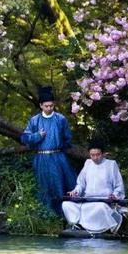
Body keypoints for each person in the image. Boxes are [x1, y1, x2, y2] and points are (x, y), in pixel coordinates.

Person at [20, 86, 77, 216]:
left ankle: (65, 215)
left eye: (51, 105)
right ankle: (46, 216)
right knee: (44, 186)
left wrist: (60, 148)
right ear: (41, 105)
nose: (49, 108)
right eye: (46, 106)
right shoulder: (34, 120)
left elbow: (67, 137)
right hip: (41, 158)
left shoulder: (60, 119)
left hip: (58, 157)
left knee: (61, 185)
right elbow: (24, 138)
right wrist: (38, 136)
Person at [62, 140, 126, 234]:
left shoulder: (111, 164)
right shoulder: (88, 163)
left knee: (100, 207)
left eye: (98, 154)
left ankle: (99, 228)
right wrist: (76, 191)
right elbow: (81, 184)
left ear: (103, 154)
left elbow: (119, 186)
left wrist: (114, 195)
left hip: (104, 201)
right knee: (66, 205)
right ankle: (78, 225)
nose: (95, 158)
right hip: (87, 200)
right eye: (92, 155)